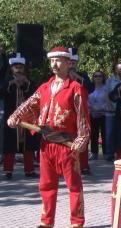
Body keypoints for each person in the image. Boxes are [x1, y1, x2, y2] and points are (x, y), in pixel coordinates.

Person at [7, 46, 90, 228]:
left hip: (67, 145)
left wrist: (82, 138)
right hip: (46, 145)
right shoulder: (45, 87)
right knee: (46, 185)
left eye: (58, 60)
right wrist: (15, 116)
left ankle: (77, 222)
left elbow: (83, 116)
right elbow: (29, 104)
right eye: (52, 60)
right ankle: (46, 222)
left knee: (74, 186)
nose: (54, 64)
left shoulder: (76, 89)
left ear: (68, 63)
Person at [1, 53, 38, 179]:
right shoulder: (6, 82)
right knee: (9, 144)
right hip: (11, 118)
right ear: (11, 68)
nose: (18, 69)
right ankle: (8, 171)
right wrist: (11, 83)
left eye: (21, 67)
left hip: (26, 117)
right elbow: (2, 93)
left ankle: (29, 170)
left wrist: (25, 84)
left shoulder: (29, 82)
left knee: (28, 144)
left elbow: (34, 96)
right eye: (16, 67)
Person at [68, 47, 92, 174]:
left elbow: (90, 88)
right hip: (65, 112)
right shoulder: (61, 76)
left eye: (73, 63)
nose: (71, 65)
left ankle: (84, 166)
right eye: (69, 63)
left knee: (82, 138)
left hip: (80, 111)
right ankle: (68, 166)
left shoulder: (83, 75)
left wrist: (77, 77)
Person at [104, 61, 121, 161]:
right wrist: (108, 104)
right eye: (119, 69)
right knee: (110, 133)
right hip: (111, 111)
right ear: (115, 70)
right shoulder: (110, 80)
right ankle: (109, 153)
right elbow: (107, 94)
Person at [88, 71, 108, 160]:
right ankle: (94, 153)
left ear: (103, 78)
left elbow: (108, 101)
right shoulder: (90, 88)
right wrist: (92, 109)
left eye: (100, 76)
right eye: (95, 76)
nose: (98, 78)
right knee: (94, 134)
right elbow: (86, 100)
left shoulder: (106, 88)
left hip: (104, 114)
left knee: (105, 134)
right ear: (93, 78)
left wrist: (101, 109)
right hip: (92, 114)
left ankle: (106, 153)